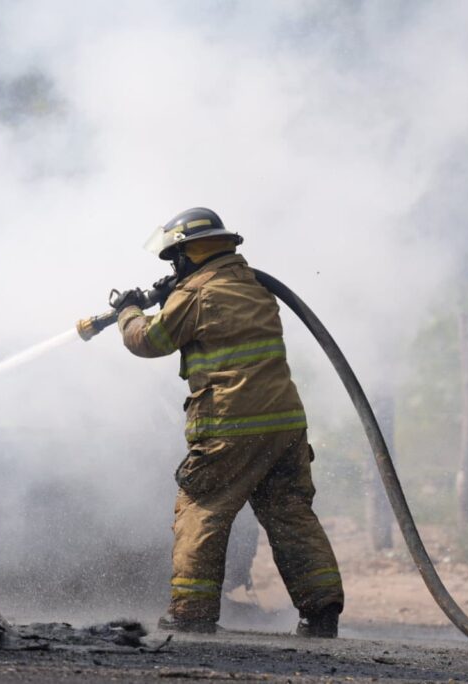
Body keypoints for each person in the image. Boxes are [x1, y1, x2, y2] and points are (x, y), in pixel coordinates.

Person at [113, 207, 344, 637]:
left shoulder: (195, 295)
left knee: (201, 510)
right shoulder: (253, 288)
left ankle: (192, 615)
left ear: (187, 254)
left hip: (229, 427)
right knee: (289, 513)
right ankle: (322, 612)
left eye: (175, 259)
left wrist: (127, 310)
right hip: (285, 425)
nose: (174, 268)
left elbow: (147, 340)